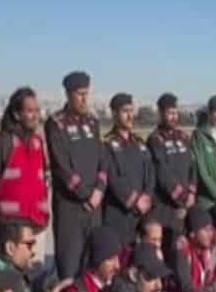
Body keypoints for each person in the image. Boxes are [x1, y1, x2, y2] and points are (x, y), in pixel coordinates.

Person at [45, 71, 108, 279]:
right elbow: (61, 166)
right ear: (68, 94)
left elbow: (102, 160)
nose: (84, 99)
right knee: (70, 267)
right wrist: (86, 194)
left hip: (94, 208)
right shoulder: (56, 123)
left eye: (86, 94)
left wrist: (99, 190)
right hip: (70, 209)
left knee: (92, 267)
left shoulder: (93, 123)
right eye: (79, 94)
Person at [0, 87, 50, 232]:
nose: (35, 116)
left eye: (37, 111)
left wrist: (45, 218)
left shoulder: (38, 143)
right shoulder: (1, 142)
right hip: (10, 227)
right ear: (16, 114)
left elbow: (42, 184)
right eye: (30, 111)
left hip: (37, 224)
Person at [102, 92, 156, 243]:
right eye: (125, 111)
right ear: (114, 114)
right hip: (119, 215)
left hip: (142, 214)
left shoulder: (139, 142)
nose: (130, 115)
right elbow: (113, 177)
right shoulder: (107, 144)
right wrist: (134, 201)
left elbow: (150, 172)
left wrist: (147, 196)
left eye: (132, 111)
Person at [147, 92, 196, 244]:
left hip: (187, 203)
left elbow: (193, 167)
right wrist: (182, 197)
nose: (174, 117)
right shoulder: (155, 140)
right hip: (167, 207)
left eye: (175, 113)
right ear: (161, 114)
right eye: (170, 113)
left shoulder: (183, 137)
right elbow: (162, 173)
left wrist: (192, 192)